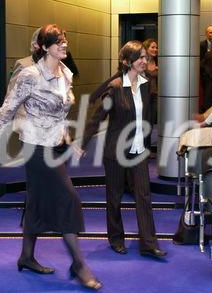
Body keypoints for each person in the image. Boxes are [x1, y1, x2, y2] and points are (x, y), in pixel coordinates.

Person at [0, 24, 102, 290]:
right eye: (58, 41)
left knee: (35, 201)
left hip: (55, 145)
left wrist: (67, 139)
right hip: (35, 146)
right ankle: (79, 264)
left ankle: (26, 256)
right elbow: (6, 109)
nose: (64, 44)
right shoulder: (30, 75)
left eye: (65, 39)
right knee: (68, 199)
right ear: (44, 47)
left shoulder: (65, 72)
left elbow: (61, 112)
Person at [80, 40, 166, 259]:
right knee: (115, 197)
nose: (145, 61)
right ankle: (116, 239)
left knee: (144, 196)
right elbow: (97, 117)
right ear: (128, 61)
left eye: (146, 57)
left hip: (139, 151)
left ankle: (148, 243)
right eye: (140, 58)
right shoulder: (115, 87)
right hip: (115, 152)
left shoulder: (146, 85)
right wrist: (80, 143)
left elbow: (146, 118)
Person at [143, 38, 159, 125]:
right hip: (143, 95)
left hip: (155, 95)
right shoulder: (140, 62)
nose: (155, 49)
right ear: (146, 48)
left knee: (153, 119)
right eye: (152, 47)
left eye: (156, 47)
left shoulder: (158, 61)